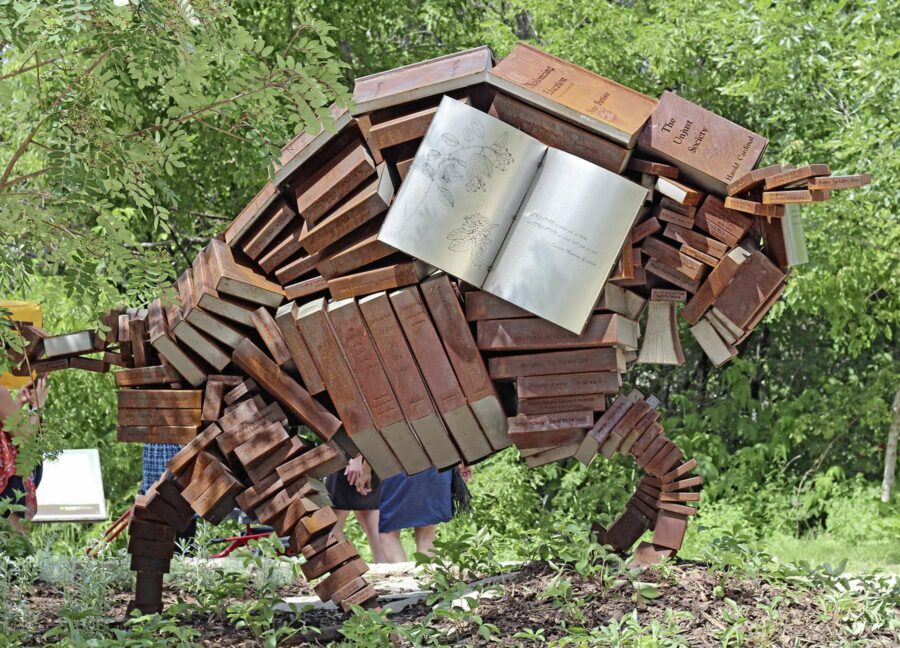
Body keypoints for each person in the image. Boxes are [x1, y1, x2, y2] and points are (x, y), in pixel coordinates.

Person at [377, 465, 471, 563]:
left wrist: (365, 469)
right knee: (426, 537)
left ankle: (405, 576)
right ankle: (426, 575)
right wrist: (463, 461)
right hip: (437, 464)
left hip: (400, 463)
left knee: (388, 532)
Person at [0, 378, 48, 533]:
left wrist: (16, 404)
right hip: (7, 489)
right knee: (15, 550)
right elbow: (25, 439)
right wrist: (37, 407)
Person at [326, 454, 387, 562]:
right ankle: (383, 569)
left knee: (332, 525)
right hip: (364, 461)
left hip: (352, 460)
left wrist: (357, 458)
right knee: (371, 524)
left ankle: (350, 569)